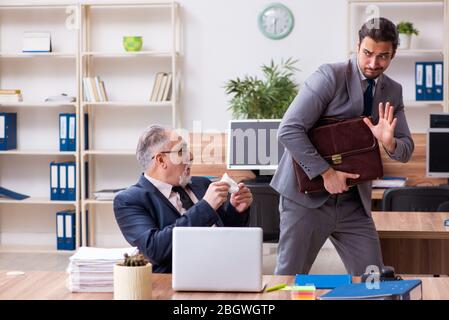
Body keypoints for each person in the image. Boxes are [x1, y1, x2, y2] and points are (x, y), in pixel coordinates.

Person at [270, 17, 414, 276]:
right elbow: (289, 129)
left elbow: (406, 149)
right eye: (367, 53)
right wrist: (327, 173)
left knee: (373, 279)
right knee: (288, 280)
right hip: (307, 199)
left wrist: (389, 141)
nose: (373, 63)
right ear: (357, 45)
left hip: (353, 204)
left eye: (383, 56)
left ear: (394, 54)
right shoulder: (329, 76)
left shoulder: (393, 91)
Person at [114, 125, 253, 273]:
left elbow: (226, 234)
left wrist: (236, 210)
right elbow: (154, 249)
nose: (191, 156)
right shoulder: (129, 200)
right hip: (176, 283)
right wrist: (205, 207)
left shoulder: (202, 184)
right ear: (161, 160)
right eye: (182, 151)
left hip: (225, 271)